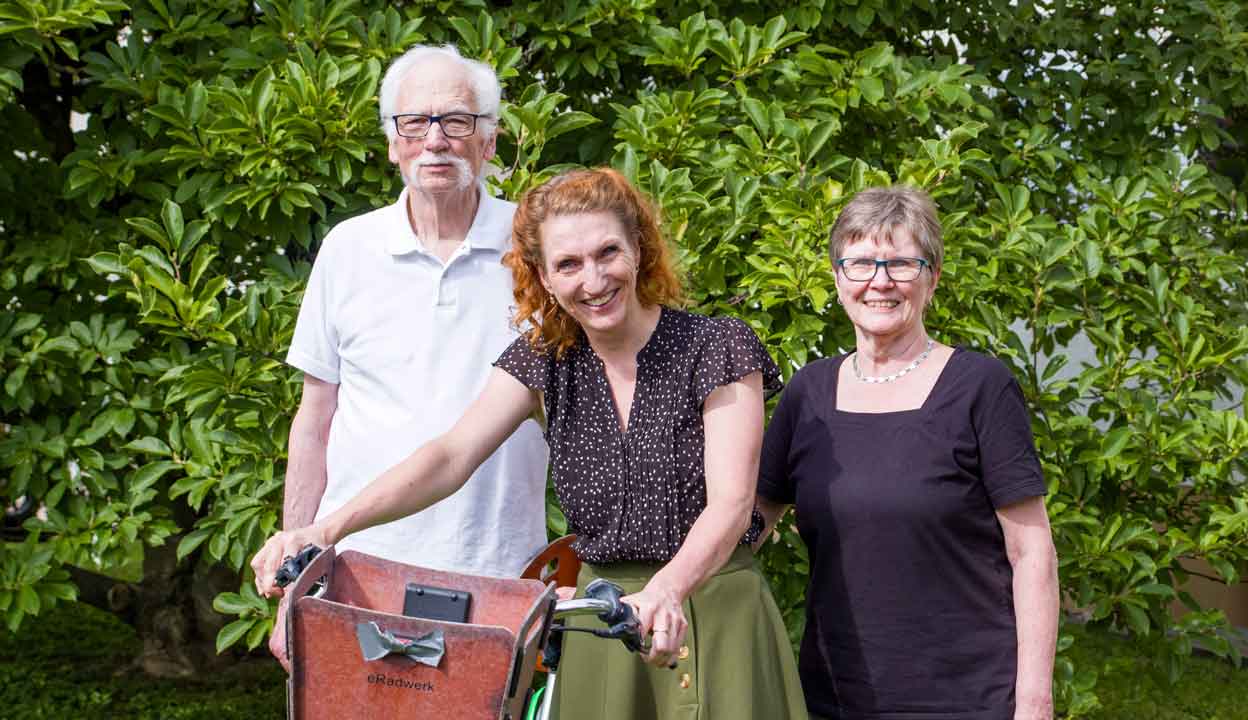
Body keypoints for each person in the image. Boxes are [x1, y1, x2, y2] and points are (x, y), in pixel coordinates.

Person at [252, 167, 808, 719]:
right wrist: (326, 527)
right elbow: (449, 457)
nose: (593, 280)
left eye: (607, 252)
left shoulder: (716, 346)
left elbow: (733, 504)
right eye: (568, 264)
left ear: (639, 248)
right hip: (604, 619)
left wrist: (667, 589)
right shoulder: (545, 359)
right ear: (542, 277)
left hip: (714, 606)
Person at [270, 44, 549, 670]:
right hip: (360, 570)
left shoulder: (536, 249)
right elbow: (314, 422)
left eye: (457, 121)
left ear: (489, 140)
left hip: (497, 568)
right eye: (414, 123)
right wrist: (297, 575)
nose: (436, 140)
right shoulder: (348, 249)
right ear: (393, 142)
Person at [755, 186, 1059, 720]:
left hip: (966, 697)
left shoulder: (980, 388)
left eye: (901, 263)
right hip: (835, 694)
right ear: (836, 277)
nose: (880, 281)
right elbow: (750, 521)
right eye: (860, 263)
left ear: (932, 278)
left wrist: (1034, 700)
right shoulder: (808, 394)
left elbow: (1032, 554)